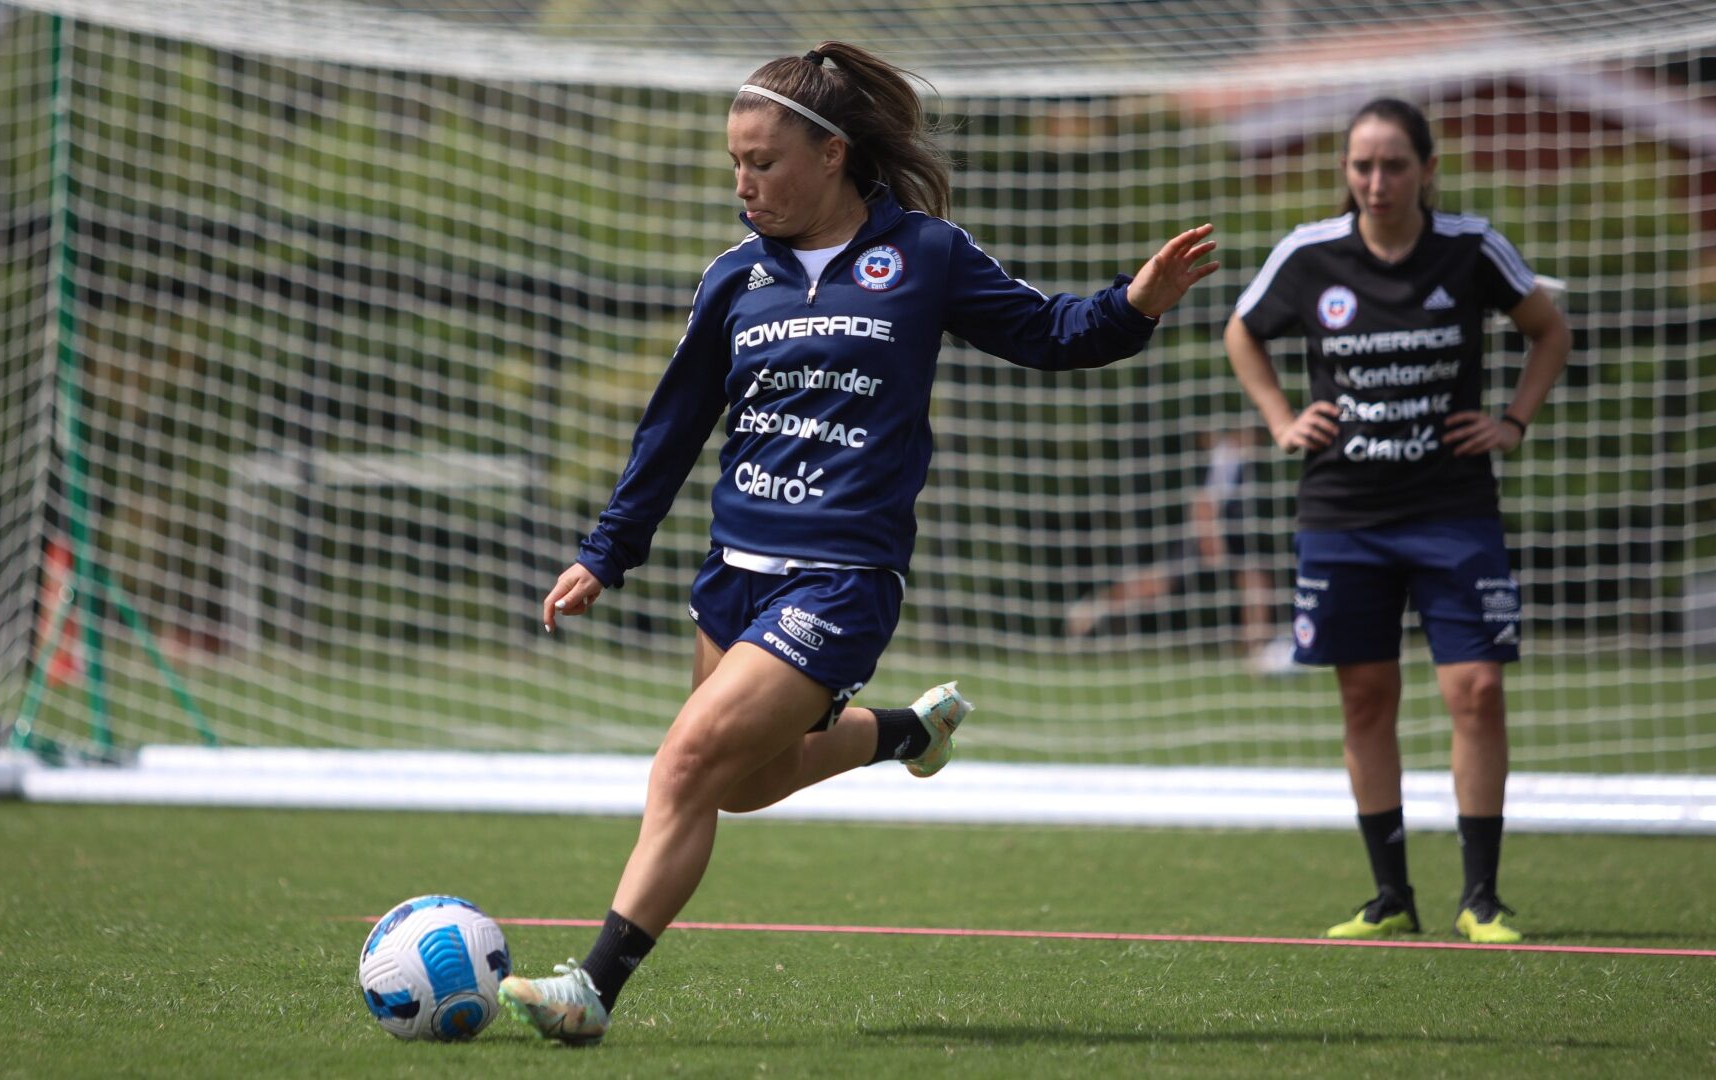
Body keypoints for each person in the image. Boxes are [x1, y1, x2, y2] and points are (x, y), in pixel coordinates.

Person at [496, 40, 1219, 1045]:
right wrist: (603, 553)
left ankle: (592, 991)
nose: (745, 183)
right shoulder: (734, 279)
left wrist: (1134, 304)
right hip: (734, 576)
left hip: (842, 581)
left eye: (764, 162)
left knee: (687, 763)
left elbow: (1051, 334)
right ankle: (906, 734)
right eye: (735, 165)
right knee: (741, 787)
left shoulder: (923, 255)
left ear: (832, 154)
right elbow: (671, 430)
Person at [1224, 98, 1570, 944]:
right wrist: (1279, 419)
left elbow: (1548, 331)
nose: (1376, 183)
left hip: (1454, 508)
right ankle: (1391, 897)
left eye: (1393, 166)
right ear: (1346, 172)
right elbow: (1242, 330)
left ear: (1426, 170)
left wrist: (1514, 422)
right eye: (1361, 166)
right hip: (1343, 513)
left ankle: (1480, 897)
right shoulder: (1309, 255)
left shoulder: (1471, 248)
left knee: (1477, 691)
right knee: (1366, 697)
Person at [1065, 426, 1297, 674]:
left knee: (1257, 584)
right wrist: (1210, 539)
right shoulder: (1229, 456)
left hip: (1231, 538)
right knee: (1160, 586)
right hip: (1206, 537)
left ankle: (1257, 653)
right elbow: (1204, 501)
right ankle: (1097, 606)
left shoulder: (1243, 460)